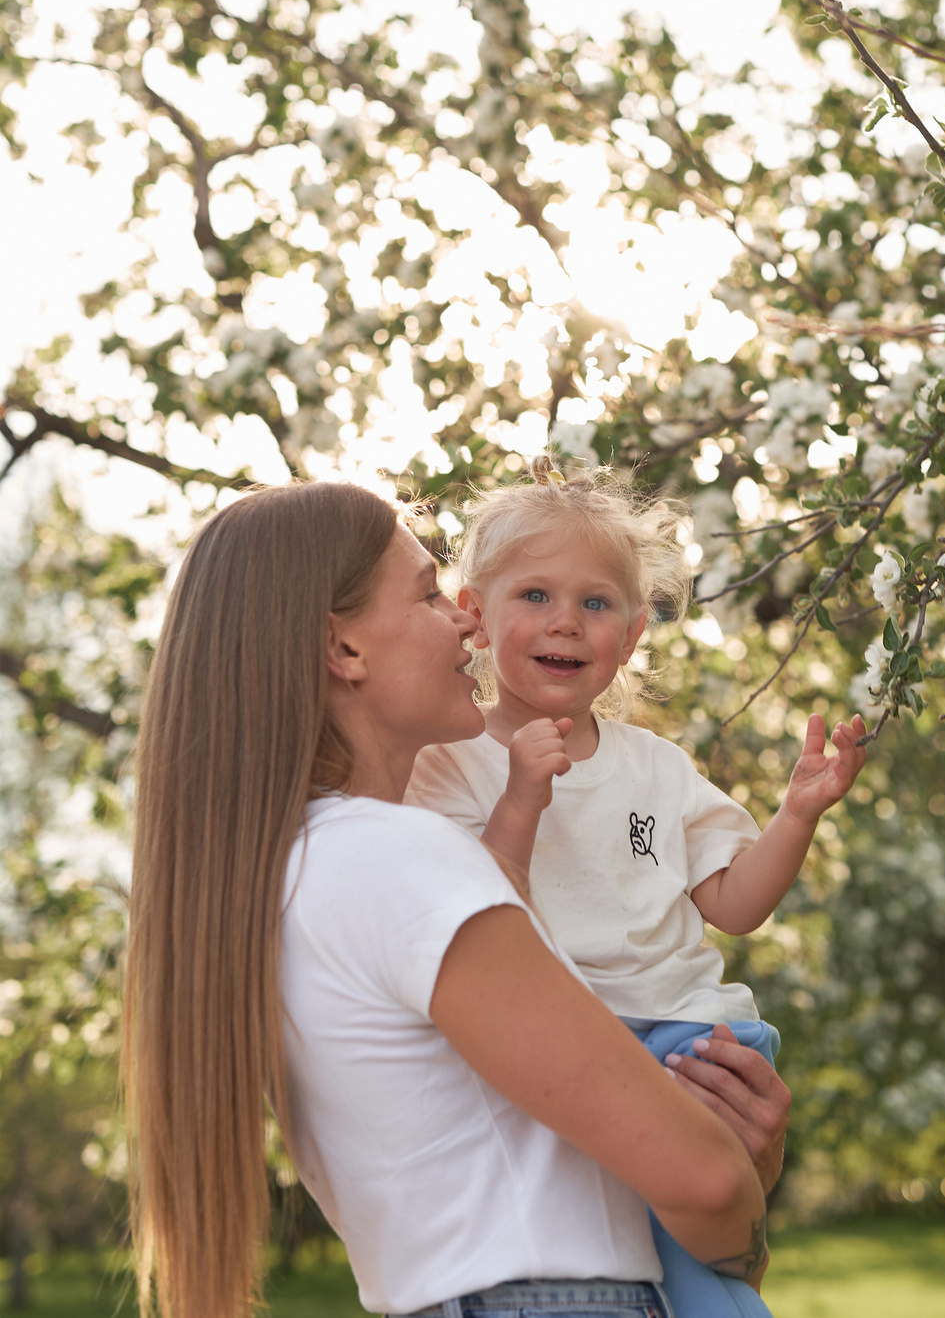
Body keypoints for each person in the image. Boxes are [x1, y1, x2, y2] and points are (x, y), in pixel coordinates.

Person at [123, 480, 788, 1318]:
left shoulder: (295, 870)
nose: (467, 621)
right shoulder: (405, 860)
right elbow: (704, 1178)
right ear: (345, 650)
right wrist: (738, 1204)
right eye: (430, 594)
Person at [402, 463, 863, 1318]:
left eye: (597, 603)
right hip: (577, 1042)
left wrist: (796, 814)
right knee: (653, 1257)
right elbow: (475, 907)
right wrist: (519, 801)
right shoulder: (449, 763)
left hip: (694, 1041)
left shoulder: (655, 766)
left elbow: (731, 901)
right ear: (474, 610)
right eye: (534, 595)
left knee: (699, 1271)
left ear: (636, 629)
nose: (565, 622)